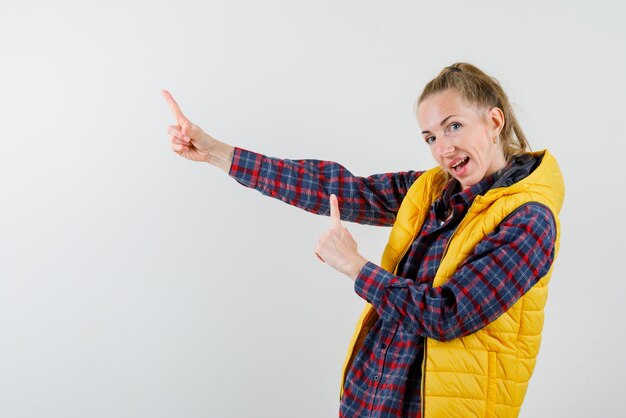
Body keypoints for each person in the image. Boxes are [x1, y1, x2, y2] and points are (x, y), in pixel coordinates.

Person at [162, 63, 564, 418]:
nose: (443, 149)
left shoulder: (529, 220)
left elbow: (448, 315)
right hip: (372, 396)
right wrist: (218, 153)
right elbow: (339, 189)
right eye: (429, 137)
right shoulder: (431, 190)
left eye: (453, 126)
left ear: (494, 122)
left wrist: (355, 266)